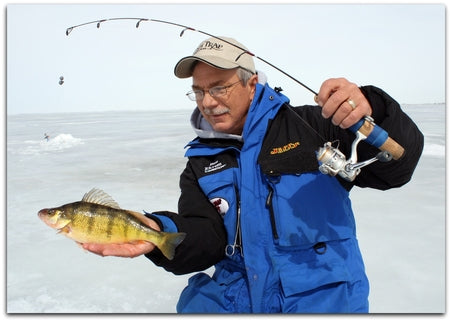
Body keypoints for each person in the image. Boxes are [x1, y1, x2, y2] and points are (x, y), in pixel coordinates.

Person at [83, 36, 424, 313]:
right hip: (234, 302)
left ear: (252, 83)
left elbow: (397, 169)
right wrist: (158, 231)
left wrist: (373, 106)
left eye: (219, 88)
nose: (208, 102)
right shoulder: (200, 162)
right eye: (199, 91)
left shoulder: (313, 125)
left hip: (321, 302)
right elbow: (209, 241)